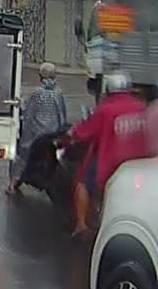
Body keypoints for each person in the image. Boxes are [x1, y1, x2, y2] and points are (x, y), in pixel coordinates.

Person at [64, 72, 150, 237]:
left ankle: (81, 224)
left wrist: (71, 134)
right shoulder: (141, 107)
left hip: (110, 159)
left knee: (82, 183)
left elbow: (83, 132)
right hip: (137, 161)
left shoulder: (105, 109)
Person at [9, 62, 69, 194]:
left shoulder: (36, 93)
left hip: (36, 134)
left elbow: (28, 113)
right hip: (53, 133)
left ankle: (13, 184)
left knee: (22, 154)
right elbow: (62, 114)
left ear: (40, 76)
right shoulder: (58, 93)